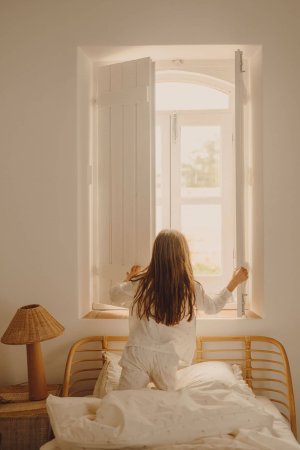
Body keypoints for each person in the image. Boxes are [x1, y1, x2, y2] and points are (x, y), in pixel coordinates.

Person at [110, 229, 248, 391]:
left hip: (139, 352)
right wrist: (234, 282)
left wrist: (128, 279)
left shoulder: (140, 283)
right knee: (171, 406)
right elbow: (213, 307)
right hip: (169, 358)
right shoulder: (190, 287)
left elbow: (114, 296)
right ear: (183, 255)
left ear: (156, 255)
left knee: (124, 402)